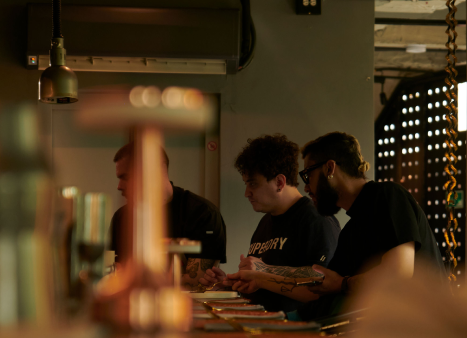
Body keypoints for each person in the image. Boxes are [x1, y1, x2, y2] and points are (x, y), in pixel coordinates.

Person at [223, 132, 446, 320]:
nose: (306, 187)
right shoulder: (351, 229)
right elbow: (320, 281)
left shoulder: (388, 196)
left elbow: (398, 275)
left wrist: (342, 284)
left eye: (308, 175)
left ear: (330, 168)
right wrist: (256, 277)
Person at [200, 134, 340, 312]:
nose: (246, 193)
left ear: (279, 182)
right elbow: (261, 286)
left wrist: (263, 273)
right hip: (261, 321)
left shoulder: (317, 220)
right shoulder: (266, 221)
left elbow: (321, 291)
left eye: (253, 184)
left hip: (295, 326)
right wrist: (230, 284)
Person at [109, 142, 227, 290]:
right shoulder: (121, 217)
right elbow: (115, 274)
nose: (119, 186)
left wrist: (133, 279)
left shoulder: (203, 213)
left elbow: (196, 281)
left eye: (126, 177)